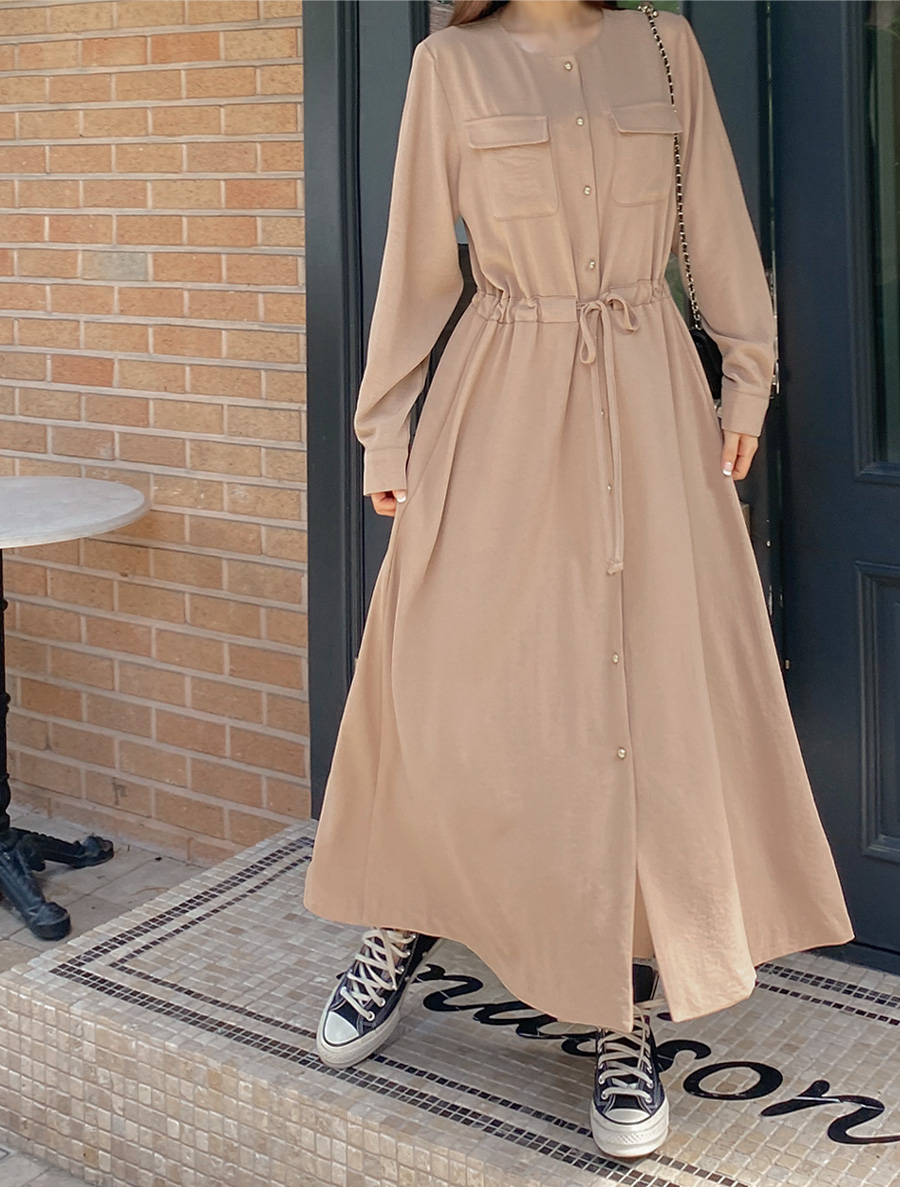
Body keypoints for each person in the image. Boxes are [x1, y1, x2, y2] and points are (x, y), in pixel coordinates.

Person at [302, 0, 856, 1163]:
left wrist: (747, 372)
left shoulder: (663, 45)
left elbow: (714, 222)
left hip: (649, 396)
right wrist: (385, 426)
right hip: (499, 397)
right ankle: (408, 914)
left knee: (641, 706)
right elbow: (416, 262)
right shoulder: (449, 65)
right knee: (449, 681)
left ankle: (624, 1005)